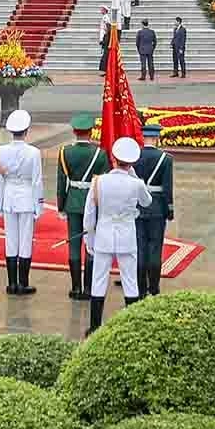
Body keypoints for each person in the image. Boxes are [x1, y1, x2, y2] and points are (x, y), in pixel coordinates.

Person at [84, 135, 150, 332]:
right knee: (130, 280)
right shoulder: (136, 184)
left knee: (98, 280)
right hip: (126, 236)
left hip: (103, 234)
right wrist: (136, 178)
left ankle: (95, 326)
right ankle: (132, 327)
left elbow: (90, 213)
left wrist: (90, 236)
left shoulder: (99, 182)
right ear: (132, 163)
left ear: (113, 158)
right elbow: (147, 202)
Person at [0, 108, 43, 295]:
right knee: (25, 241)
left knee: (11, 241)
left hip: (9, 198)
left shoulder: (1, 151)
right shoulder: (33, 153)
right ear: (26, 130)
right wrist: (39, 204)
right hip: (27, 198)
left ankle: (11, 283)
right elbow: (37, 180)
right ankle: (23, 283)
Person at [55, 112, 103, 298]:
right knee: (91, 245)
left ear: (74, 131)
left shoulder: (65, 152)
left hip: (73, 201)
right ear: (91, 132)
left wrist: (61, 206)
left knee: (74, 244)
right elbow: (102, 183)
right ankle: (89, 288)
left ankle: (75, 288)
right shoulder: (100, 154)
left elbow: (61, 182)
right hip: (93, 202)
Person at [132, 123, 173, 298]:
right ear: (156, 138)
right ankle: (154, 287)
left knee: (140, 247)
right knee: (155, 247)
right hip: (157, 208)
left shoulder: (135, 157)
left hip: (138, 207)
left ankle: (140, 289)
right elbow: (167, 188)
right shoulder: (165, 158)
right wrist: (169, 209)